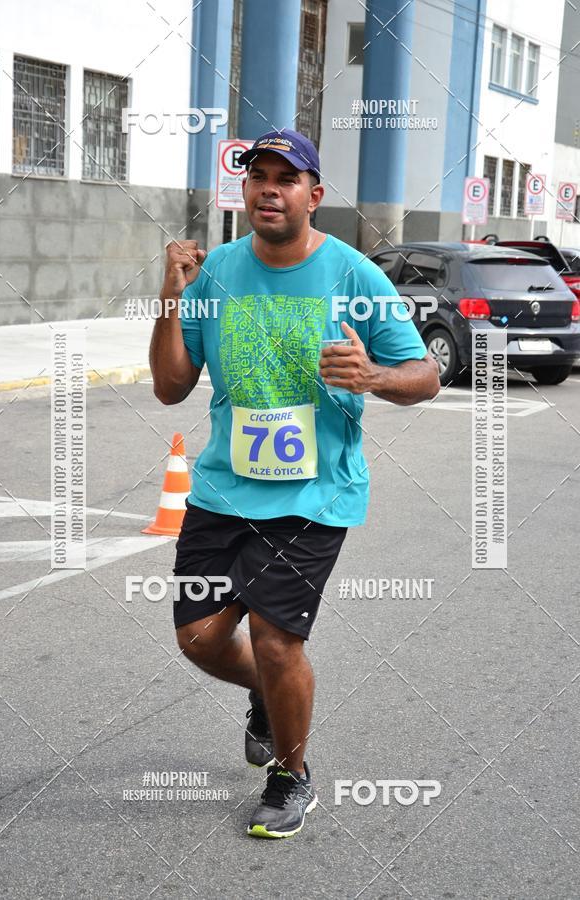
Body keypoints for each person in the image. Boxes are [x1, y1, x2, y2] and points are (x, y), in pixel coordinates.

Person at [149, 128, 440, 839]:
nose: (269, 189)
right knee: (198, 639)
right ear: (244, 191)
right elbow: (168, 386)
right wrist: (170, 296)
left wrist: (374, 376)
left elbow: (426, 374)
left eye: (286, 178)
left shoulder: (352, 276)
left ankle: (292, 773)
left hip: (314, 495)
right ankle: (267, 699)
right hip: (222, 492)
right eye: (258, 178)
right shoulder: (214, 272)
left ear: (314, 196)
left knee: (279, 643)